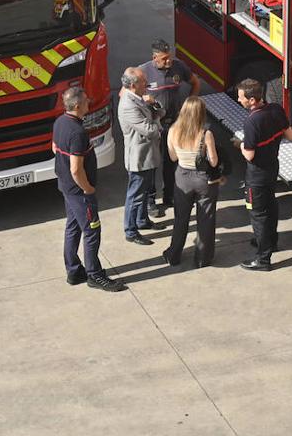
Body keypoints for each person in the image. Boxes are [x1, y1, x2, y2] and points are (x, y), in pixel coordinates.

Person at [52, 86, 126, 292]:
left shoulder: (60, 122)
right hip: (80, 192)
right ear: (77, 106)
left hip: (66, 187)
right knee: (92, 230)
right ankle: (94, 274)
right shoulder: (77, 132)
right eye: (85, 101)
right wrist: (88, 189)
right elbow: (76, 169)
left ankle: (74, 271)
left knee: (73, 226)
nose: (89, 102)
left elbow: (54, 148)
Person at [236, 78, 292, 272]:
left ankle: (263, 259)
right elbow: (290, 136)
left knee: (258, 214)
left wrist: (241, 144)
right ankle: (271, 241)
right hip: (272, 168)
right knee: (271, 206)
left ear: (252, 100)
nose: (239, 100)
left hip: (256, 176)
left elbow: (250, 155)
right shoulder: (276, 109)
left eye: (241, 97)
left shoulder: (252, 121)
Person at [141, 39, 201, 218]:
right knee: (151, 164)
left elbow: (195, 83)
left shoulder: (179, 67)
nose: (169, 62)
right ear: (154, 58)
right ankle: (151, 201)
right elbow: (126, 93)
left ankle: (169, 196)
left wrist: (189, 106)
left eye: (170, 57)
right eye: (164, 59)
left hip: (174, 124)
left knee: (172, 162)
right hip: (154, 126)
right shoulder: (143, 71)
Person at [164, 96, 221, 268]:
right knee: (206, 219)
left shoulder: (173, 130)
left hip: (182, 177)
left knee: (181, 218)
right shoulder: (206, 134)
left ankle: (173, 255)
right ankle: (202, 258)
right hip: (203, 179)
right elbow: (213, 162)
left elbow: (173, 156)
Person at [117, 66, 161, 246]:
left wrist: (154, 105)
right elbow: (150, 130)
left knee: (144, 191)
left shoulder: (139, 98)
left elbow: (160, 111)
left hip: (148, 155)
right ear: (134, 85)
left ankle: (142, 221)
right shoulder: (128, 105)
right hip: (139, 158)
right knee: (135, 194)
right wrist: (158, 123)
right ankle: (130, 230)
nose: (147, 84)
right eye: (144, 82)